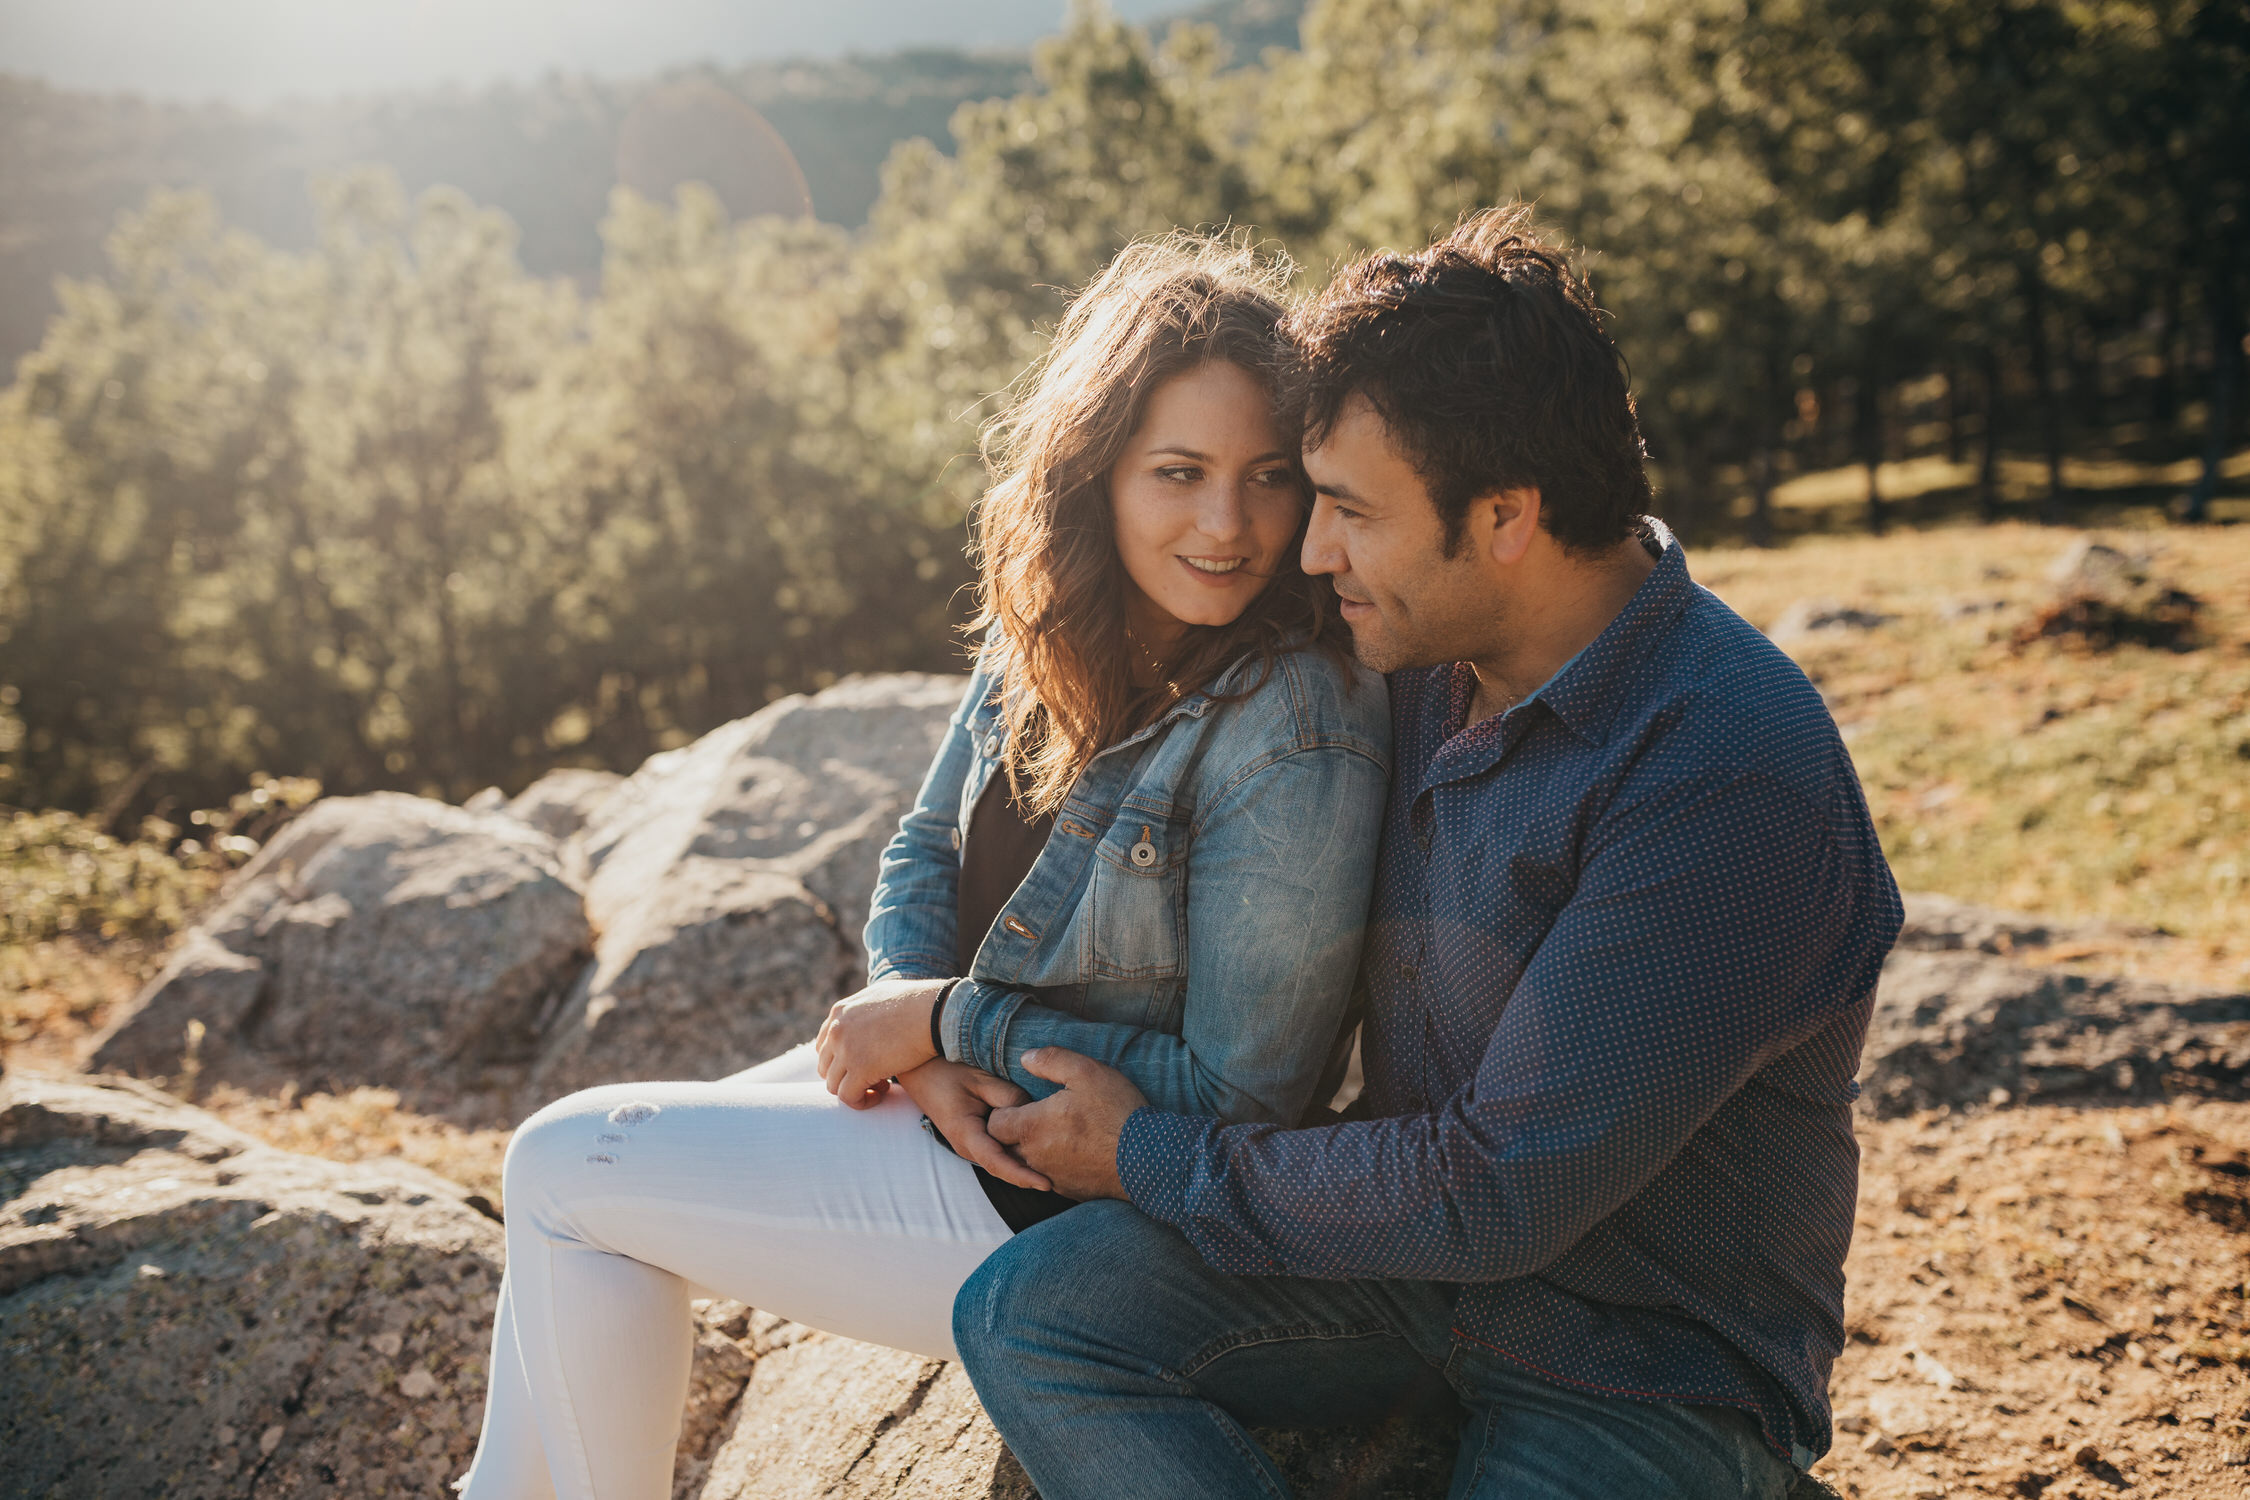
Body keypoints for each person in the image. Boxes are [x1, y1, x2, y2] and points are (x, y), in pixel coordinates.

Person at [950, 206, 1904, 1500]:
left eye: (1348, 509)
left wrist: (1142, 1152)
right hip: (1397, 1283)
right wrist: (938, 1005)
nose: (1310, 548)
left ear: (1504, 516)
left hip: (1634, 1367)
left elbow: (1496, 1191)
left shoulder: (1724, 772)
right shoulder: (1411, 652)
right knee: (1032, 1312)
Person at [454, 235, 1392, 1499]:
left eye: (1269, 478)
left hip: (1066, 1202)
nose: (1228, 525)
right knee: (589, 1200)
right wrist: (928, 1042)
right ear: (1097, 474)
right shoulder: (1053, 631)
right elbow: (918, 853)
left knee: (570, 1170)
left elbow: (1245, 1096)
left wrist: (953, 1023)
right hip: (958, 1104)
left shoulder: (1297, 721)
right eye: (1180, 472)